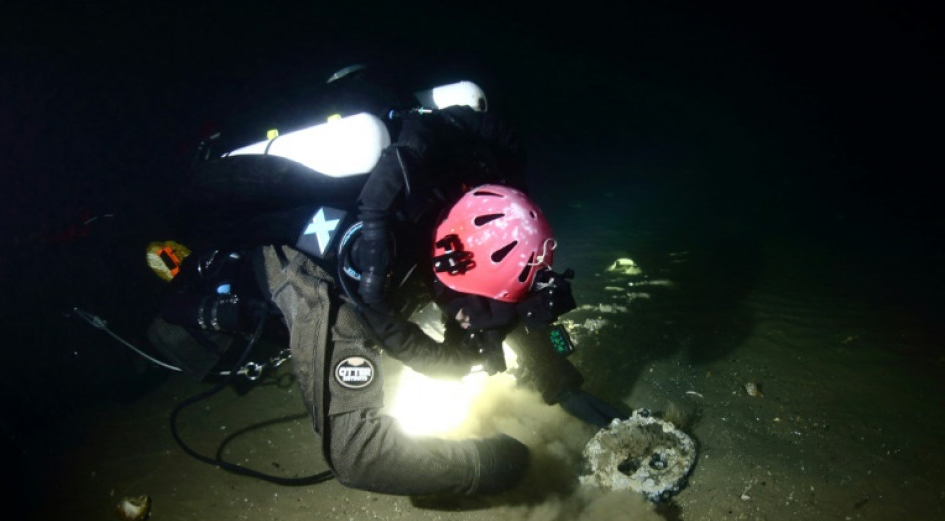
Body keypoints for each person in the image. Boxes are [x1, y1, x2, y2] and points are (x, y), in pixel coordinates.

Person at [152, 71, 624, 496]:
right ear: (450, 265)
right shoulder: (338, 272)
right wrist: (503, 464)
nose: (470, 321)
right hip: (251, 290)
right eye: (474, 307)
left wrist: (559, 383)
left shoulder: (467, 197)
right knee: (172, 336)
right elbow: (362, 458)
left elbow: (506, 287)